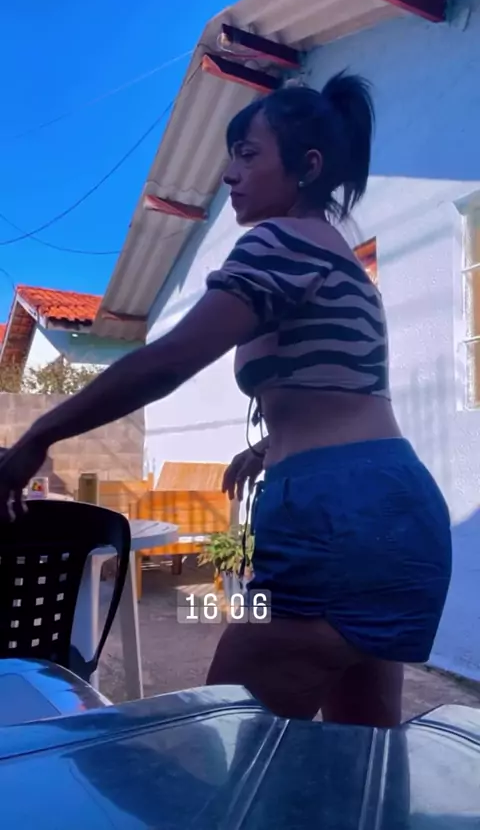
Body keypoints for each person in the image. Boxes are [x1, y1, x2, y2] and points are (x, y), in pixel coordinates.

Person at [0, 72, 452, 727]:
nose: (229, 175)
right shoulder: (341, 262)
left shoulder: (281, 240)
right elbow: (344, 386)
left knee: (231, 740)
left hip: (334, 515)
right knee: (359, 759)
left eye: (248, 155)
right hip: (390, 509)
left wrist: (39, 435)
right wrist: (268, 448)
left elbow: (171, 359)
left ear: (307, 167)